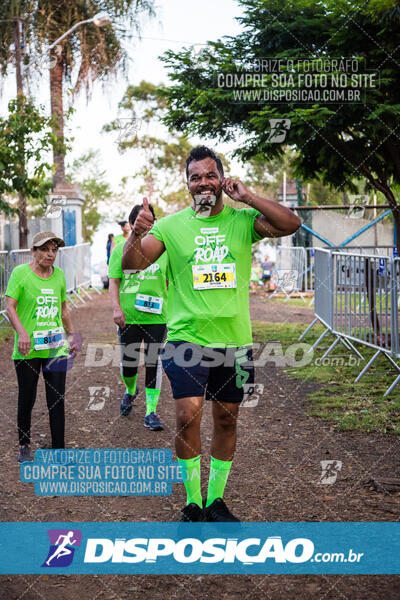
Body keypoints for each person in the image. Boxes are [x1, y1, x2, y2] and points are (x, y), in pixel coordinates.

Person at [122, 146, 300, 522]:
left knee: (226, 418)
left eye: (208, 175)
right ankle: (192, 502)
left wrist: (248, 196)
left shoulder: (242, 220)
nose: (202, 182)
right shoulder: (171, 226)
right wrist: (135, 235)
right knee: (188, 415)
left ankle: (216, 500)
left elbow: (291, 224)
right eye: (195, 177)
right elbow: (134, 263)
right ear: (187, 184)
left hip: (233, 341)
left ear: (221, 178)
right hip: (187, 339)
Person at [5, 232, 79, 462]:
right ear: (33, 251)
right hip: (28, 348)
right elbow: (10, 307)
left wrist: (71, 334)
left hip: (55, 346)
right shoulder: (20, 274)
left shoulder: (59, 276)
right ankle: (24, 444)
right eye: (45, 249)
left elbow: (63, 308)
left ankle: (59, 449)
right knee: (27, 397)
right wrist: (22, 333)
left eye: (54, 250)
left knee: (56, 398)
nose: (50, 254)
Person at [108, 204, 168, 430]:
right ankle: (131, 390)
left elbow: (170, 281)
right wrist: (116, 308)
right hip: (129, 317)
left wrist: (171, 310)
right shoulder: (120, 248)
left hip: (157, 317)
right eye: (142, 222)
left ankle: (151, 412)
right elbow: (114, 281)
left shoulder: (163, 249)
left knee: (155, 362)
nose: (147, 226)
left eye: (151, 222)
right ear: (132, 224)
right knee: (129, 364)